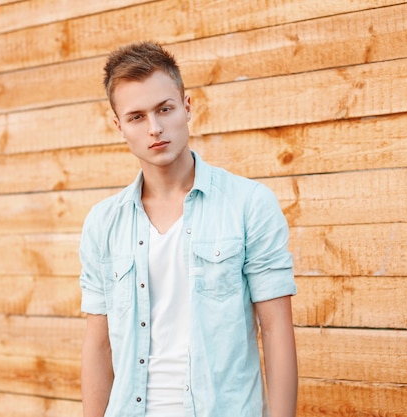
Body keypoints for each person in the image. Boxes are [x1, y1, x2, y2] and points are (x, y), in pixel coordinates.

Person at [79, 41, 298, 417]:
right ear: (118, 126)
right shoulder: (103, 223)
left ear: (187, 107)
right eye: (136, 117)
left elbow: (277, 330)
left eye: (164, 109)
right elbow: (99, 347)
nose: (155, 128)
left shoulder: (248, 204)